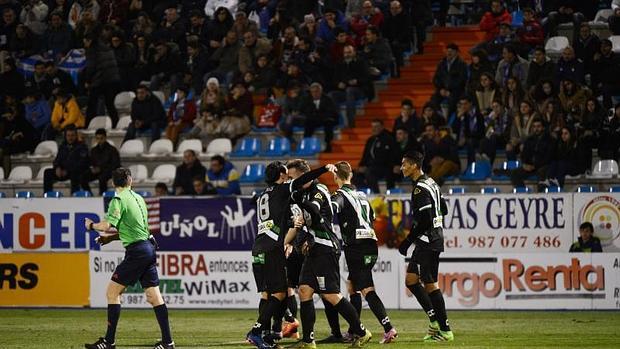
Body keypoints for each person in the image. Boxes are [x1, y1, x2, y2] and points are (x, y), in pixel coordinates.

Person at [247, 160, 338, 349]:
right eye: (286, 174)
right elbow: (303, 179)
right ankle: (256, 332)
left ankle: (266, 333)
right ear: (282, 175)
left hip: (259, 247)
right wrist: (323, 169)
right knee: (280, 293)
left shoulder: (264, 195)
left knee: (270, 293)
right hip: (272, 248)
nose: (288, 176)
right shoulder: (282, 190)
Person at [284, 159, 372, 349]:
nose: (291, 182)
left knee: (331, 295)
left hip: (325, 247)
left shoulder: (319, 190)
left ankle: (362, 331)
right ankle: (308, 341)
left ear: (303, 175)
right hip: (314, 249)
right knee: (305, 291)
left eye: (292, 177)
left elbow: (315, 211)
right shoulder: (302, 193)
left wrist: (301, 207)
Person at [84, 167, 175, 349]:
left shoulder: (118, 200)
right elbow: (134, 229)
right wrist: (109, 238)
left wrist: (91, 225)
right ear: (130, 181)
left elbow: (107, 224)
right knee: (153, 296)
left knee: (112, 293)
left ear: (112, 183)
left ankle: (109, 342)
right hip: (148, 248)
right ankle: (168, 342)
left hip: (137, 252)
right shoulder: (139, 199)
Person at [330, 161, 398, 344]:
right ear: (350, 175)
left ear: (336, 176)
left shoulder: (340, 194)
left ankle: (388, 328)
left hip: (356, 246)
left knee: (367, 289)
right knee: (353, 285)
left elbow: (332, 208)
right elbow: (372, 218)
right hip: (370, 243)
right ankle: (354, 329)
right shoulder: (362, 196)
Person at [398, 150, 453, 342]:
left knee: (430, 285)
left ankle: (445, 330)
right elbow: (443, 209)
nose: (402, 167)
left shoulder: (420, 188)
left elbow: (426, 220)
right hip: (429, 240)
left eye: (405, 164)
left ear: (414, 165)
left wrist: (407, 241)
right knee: (411, 281)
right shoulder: (431, 183)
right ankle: (434, 321)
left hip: (428, 242)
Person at [82, 33, 121, 127]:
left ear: (89, 40)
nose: (84, 45)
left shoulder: (92, 50)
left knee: (92, 104)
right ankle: (115, 124)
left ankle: (87, 125)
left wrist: (87, 81)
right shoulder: (107, 48)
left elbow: (91, 67)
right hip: (111, 80)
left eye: (85, 42)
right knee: (110, 104)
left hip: (99, 80)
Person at [510, 118, 553, 191]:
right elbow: (524, 155)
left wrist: (535, 165)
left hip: (543, 166)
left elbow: (549, 157)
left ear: (543, 127)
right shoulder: (529, 139)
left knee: (542, 172)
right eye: (534, 127)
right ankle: (522, 193)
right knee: (514, 173)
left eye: (538, 126)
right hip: (530, 167)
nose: (536, 129)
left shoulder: (549, 140)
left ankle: (541, 196)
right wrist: (525, 164)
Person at [43, 126, 89, 194]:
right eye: (68, 135)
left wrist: (67, 170)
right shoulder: (63, 146)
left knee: (75, 174)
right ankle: (48, 195)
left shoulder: (82, 147)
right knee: (47, 172)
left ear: (76, 136)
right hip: (62, 172)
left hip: (74, 171)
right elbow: (57, 160)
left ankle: (74, 195)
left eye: (72, 135)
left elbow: (82, 163)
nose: (70, 138)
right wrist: (57, 168)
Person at [358, 119, 400, 193]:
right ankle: (363, 194)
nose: (374, 129)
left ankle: (376, 194)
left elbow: (394, 155)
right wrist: (361, 165)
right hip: (372, 167)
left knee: (369, 172)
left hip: (385, 167)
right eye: (373, 126)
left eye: (376, 126)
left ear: (382, 127)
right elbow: (365, 155)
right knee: (354, 174)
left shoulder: (389, 139)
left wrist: (396, 164)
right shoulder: (370, 140)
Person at [430, 43, 467, 117]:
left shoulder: (461, 64)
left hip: (455, 91)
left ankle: (450, 121)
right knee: (433, 100)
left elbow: (461, 80)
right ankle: (437, 119)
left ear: (456, 52)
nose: (449, 53)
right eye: (447, 51)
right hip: (442, 90)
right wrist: (441, 89)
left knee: (453, 101)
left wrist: (449, 91)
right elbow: (436, 79)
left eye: (451, 51)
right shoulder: (441, 64)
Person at [80, 128, 120, 195]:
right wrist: (92, 168)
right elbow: (90, 162)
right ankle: (90, 195)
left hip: (108, 171)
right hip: (97, 171)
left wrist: (101, 168)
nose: (99, 140)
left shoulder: (112, 150)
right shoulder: (94, 150)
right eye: (97, 138)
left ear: (105, 138)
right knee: (83, 177)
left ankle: (102, 196)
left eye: (101, 138)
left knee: (102, 178)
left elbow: (115, 164)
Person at [301, 82, 339, 152]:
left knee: (329, 123)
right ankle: (307, 145)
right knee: (308, 123)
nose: (314, 94)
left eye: (316, 91)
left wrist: (318, 116)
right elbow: (305, 112)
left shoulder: (328, 99)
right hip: (314, 119)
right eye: (312, 92)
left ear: (320, 91)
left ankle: (328, 145)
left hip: (325, 119)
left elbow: (331, 112)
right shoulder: (307, 100)